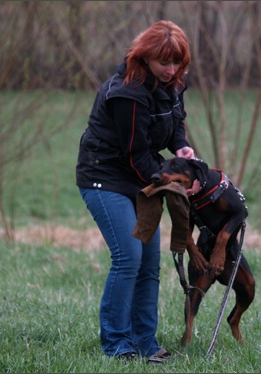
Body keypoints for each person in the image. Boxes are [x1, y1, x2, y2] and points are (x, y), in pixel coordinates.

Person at [75, 20, 199, 362]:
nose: (172, 70)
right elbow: (135, 154)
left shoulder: (173, 83)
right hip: (104, 176)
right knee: (128, 257)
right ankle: (117, 344)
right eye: (164, 63)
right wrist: (169, 181)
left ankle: (146, 341)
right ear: (144, 58)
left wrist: (181, 147)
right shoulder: (127, 93)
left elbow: (175, 122)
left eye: (178, 63)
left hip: (141, 175)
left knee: (148, 264)